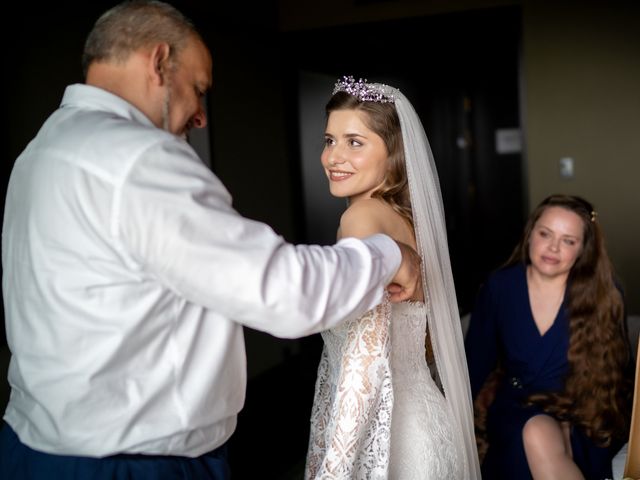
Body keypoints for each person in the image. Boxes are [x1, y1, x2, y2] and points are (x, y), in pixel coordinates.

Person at [0, 3, 422, 479]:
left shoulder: (42, 149)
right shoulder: (137, 159)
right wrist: (389, 255)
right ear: (159, 62)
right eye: (198, 89)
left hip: (33, 446)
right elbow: (284, 291)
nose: (201, 116)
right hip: (131, 462)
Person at [304, 76, 481, 479]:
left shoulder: (361, 218)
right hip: (430, 423)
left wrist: (335, 467)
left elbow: (363, 363)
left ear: (395, 153)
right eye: (329, 140)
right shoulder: (405, 220)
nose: (334, 157)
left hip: (394, 440)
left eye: (355, 142)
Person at [465, 194, 632, 479]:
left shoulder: (605, 294)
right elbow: (474, 363)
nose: (553, 247)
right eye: (546, 234)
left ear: (582, 250)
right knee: (534, 432)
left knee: (547, 438)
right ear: (530, 234)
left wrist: (570, 420)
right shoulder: (500, 286)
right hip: (517, 406)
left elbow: (619, 374)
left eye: (568, 240)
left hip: (584, 412)